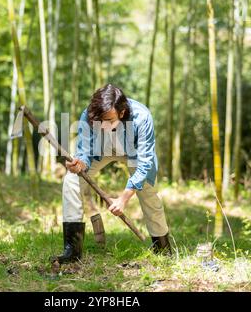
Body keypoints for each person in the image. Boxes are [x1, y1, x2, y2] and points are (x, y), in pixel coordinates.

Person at [54, 84, 172, 264]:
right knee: (71, 181)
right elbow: (84, 151)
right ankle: (72, 250)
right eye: (98, 121)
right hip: (101, 150)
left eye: (109, 120)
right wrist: (79, 164)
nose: (103, 126)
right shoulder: (89, 115)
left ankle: (162, 249)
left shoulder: (142, 117)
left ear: (122, 112)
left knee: (148, 193)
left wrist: (123, 198)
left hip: (134, 154)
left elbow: (145, 162)